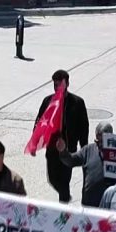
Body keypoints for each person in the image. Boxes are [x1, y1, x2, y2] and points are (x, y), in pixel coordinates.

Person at [36, 70, 89, 202]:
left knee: (64, 181)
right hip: (52, 149)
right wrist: (35, 140)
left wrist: (85, 148)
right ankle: (64, 195)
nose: (57, 88)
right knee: (52, 179)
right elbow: (39, 121)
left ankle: (63, 207)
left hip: (68, 150)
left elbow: (84, 127)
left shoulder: (77, 103)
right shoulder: (48, 101)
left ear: (67, 84)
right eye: (55, 85)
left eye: (60, 85)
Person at [56, 122, 116, 207]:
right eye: (97, 141)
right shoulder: (88, 150)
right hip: (88, 205)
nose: (100, 144)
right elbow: (71, 161)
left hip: (108, 207)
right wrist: (63, 151)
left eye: (103, 142)